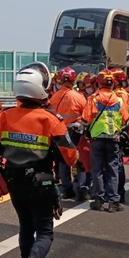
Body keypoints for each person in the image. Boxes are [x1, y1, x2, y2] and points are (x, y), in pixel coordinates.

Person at [0, 62, 78, 258]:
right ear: (41, 89)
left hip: (13, 180)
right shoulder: (51, 120)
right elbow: (70, 156)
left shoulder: (4, 117)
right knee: (45, 232)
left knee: (26, 227)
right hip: (41, 182)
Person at [82, 69, 129, 212]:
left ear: (98, 83)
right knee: (113, 170)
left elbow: (85, 119)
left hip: (97, 139)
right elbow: (125, 119)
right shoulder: (119, 99)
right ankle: (114, 202)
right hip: (114, 138)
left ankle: (98, 200)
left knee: (97, 170)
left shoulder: (93, 99)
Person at [48, 67, 86, 199]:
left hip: (58, 132)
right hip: (75, 131)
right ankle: (81, 188)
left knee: (62, 161)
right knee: (79, 158)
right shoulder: (78, 97)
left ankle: (67, 190)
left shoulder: (54, 97)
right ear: (73, 80)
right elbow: (86, 115)